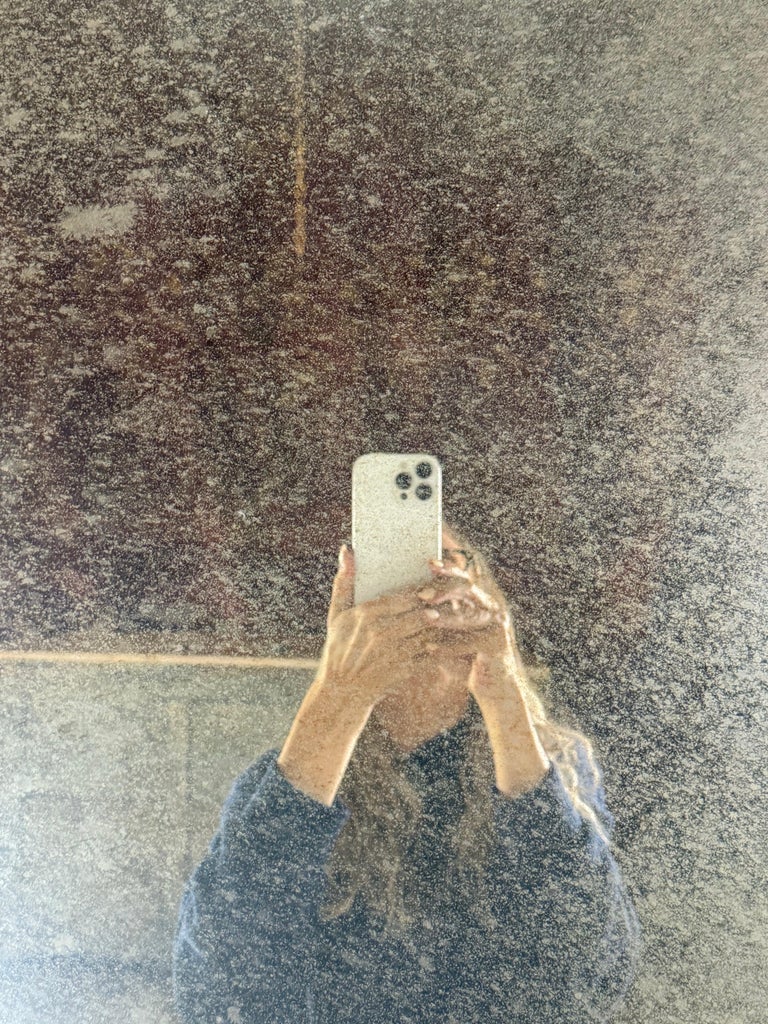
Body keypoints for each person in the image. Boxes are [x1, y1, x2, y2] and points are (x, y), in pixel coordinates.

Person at [173, 521, 641, 1023]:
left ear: (484, 596)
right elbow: (218, 989)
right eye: (388, 572)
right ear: (355, 610)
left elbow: (595, 972)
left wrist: (503, 693)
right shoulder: (297, 776)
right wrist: (337, 694)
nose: (420, 590)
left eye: (444, 566)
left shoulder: (555, 766)